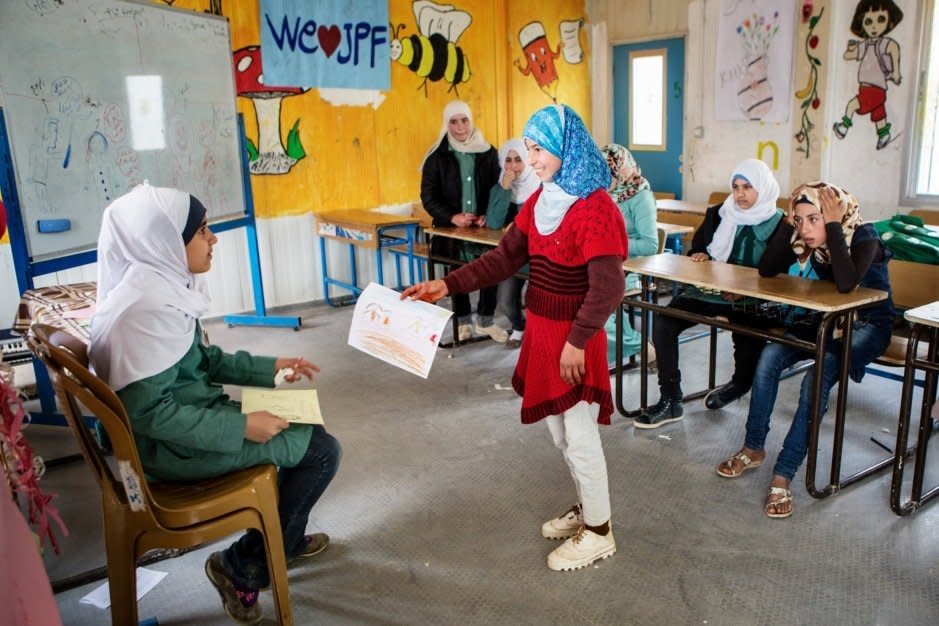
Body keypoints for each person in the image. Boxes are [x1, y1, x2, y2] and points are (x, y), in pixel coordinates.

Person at [88, 183, 341, 624]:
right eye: (202, 231)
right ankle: (241, 565)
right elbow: (150, 416)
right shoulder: (143, 312)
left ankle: (285, 536)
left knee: (312, 435)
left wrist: (271, 367)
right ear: (166, 243)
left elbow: (204, 359)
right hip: (169, 451)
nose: (214, 239)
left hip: (190, 425)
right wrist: (243, 427)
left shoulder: (159, 287)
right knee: (321, 453)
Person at [403, 104, 627, 572]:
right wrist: (446, 285)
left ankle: (601, 532)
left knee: (580, 434)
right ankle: (589, 509)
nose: (533, 158)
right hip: (544, 336)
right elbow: (502, 260)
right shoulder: (541, 202)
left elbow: (608, 287)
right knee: (560, 433)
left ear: (566, 149)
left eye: (540, 148)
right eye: (528, 148)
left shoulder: (596, 208)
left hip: (574, 341)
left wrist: (578, 341)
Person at [715, 183, 893, 519]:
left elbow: (846, 284)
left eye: (815, 219)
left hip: (869, 325)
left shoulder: (864, 236)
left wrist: (836, 227)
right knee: (769, 357)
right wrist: (788, 220)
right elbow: (768, 269)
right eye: (801, 221)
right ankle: (753, 448)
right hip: (826, 319)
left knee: (817, 375)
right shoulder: (806, 235)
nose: (806, 229)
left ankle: (785, 470)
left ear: (835, 216)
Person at [634, 158, 788, 429]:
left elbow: (778, 271)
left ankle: (739, 384)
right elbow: (698, 250)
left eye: (747, 187)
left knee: (748, 337)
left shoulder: (780, 224)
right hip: (709, 292)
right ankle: (671, 399)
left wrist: (744, 290)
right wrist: (699, 255)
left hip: (753, 300)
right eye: (735, 187)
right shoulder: (719, 212)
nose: (739, 194)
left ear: (762, 188)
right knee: (664, 321)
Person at [420, 100, 507, 343]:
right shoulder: (437, 157)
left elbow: (497, 188)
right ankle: (464, 322)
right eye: (453, 121)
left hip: (483, 230)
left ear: (471, 121)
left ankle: (486, 321)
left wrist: (489, 214)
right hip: (452, 232)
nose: (460, 127)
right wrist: (452, 217)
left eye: (464, 120)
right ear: (446, 124)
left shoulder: (488, 153)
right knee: (456, 273)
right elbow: (428, 197)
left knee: (490, 270)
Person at [600, 143, 659, 367]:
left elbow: (650, 245)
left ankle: (641, 345)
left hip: (633, 267)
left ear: (620, 169)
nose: (603, 178)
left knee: (595, 310)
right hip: (605, 263)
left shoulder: (640, 195)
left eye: (608, 172)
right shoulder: (604, 194)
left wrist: (613, 243)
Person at [486, 138, 541, 348]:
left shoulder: (540, 186)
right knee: (506, 302)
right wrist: (505, 188)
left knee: (535, 300)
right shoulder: (501, 186)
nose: (513, 166)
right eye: (508, 160)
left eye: (518, 160)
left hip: (537, 255)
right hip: (513, 256)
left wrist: (520, 227)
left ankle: (536, 338)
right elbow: (493, 223)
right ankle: (519, 326)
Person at [832, 0, 904, 150]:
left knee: (852, 105)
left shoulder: (884, 43)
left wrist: (896, 71)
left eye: (881, 19)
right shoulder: (865, 45)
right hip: (874, 90)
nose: (874, 26)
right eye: (869, 21)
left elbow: (894, 48)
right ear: (862, 23)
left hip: (872, 89)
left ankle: (843, 128)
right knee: (878, 114)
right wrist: (849, 48)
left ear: (889, 22)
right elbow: (848, 56)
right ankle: (883, 135)